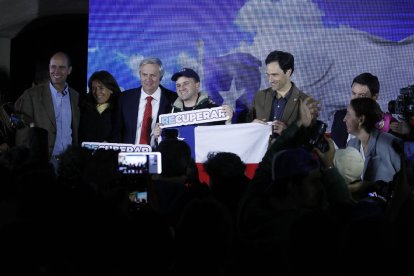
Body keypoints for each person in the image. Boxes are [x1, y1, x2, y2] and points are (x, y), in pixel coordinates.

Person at [14, 51, 80, 168]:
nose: (56, 71)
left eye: (61, 67)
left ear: (69, 70)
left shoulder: (75, 96)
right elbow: (22, 133)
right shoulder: (31, 95)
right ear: (49, 68)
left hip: (69, 162)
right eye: (53, 66)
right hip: (42, 162)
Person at [111, 57, 177, 146]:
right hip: (129, 155)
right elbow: (117, 131)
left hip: (160, 154)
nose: (148, 79)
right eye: (144, 74)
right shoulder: (124, 98)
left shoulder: (174, 99)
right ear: (140, 74)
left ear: (161, 76)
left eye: (153, 75)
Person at [153, 68, 233, 139]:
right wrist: (158, 136)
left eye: (186, 83)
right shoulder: (169, 114)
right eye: (178, 85)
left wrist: (228, 122)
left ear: (197, 85)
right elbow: (166, 145)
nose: (181, 88)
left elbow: (227, 139)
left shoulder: (215, 110)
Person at [245, 50, 309, 138]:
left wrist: (287, 132)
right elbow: (244, 128)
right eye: (268, 75)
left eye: (275, 75)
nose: (270, 80)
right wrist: (252, 126)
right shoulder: (259, 97)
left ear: (288, 73)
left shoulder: (306, 102)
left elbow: (308, 140)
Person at [344, 97, 401, 193]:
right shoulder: (351, 145)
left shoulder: (390, 144)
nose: (344, 119)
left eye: (348, 114)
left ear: (361, 120)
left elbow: (406, 184)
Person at [331, 72, 396, 148]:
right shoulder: (340, 117)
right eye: (354, 93)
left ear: (375, 97)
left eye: (362, 95)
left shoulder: (389, 124)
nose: (355, 99)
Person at [79, 70, 121, 143]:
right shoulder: (83, 108)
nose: (97, 92)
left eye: (101, 88)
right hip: (85, 153)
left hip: (110, 153)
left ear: (111, 90)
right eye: (93, 88)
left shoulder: (119, 110)